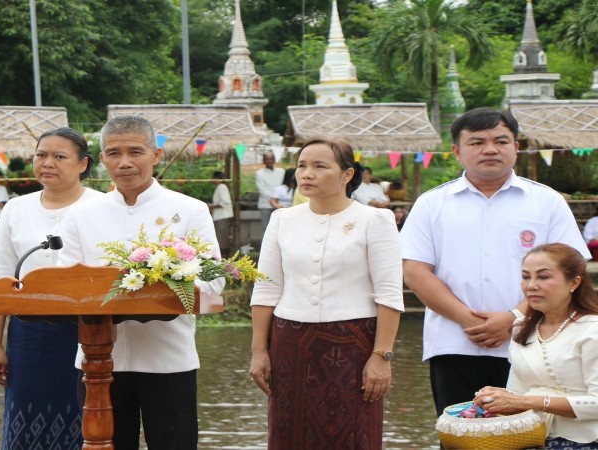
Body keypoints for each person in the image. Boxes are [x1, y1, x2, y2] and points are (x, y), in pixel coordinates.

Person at [401, 107, 591, 418]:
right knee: (460, 433)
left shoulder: (546, 201)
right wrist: (466, 318)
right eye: (476, 143)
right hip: (454, 342)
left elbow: (571, 269)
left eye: (500, 141)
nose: (490, 149)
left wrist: (514, 317)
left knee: (531, 431)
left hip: (534, 341)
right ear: (457, 152)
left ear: (516, 147)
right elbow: (416, 271)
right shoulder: (432, 204)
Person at [57, 116, 224, 450]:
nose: (125, 162)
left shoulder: (189, 209)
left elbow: (214, 279)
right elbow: (67, 282)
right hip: (98, 361)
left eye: (135, 151)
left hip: (168, 357)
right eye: (114, 153)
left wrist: (166, 289)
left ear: (156, 155)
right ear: (102, 159)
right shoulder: (80, 214)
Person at [249, 137, 404, 449]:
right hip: (289, 343)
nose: (307, 173)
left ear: (347, 174)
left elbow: (388, 294)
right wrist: (259, 351)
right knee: (288, 433)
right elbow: (266, 288)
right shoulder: (282, 220)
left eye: (320, 166)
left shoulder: (374, 220)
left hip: (354, 344)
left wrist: (381, 356)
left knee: (354, 434)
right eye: (302, 166)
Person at [0, 127, 102, 450]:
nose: (47, 162)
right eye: (41, 155)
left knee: (90, 419)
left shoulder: (103, 207)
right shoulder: (15, 209)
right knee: (25, 421)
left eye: (59, 156)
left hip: (92, 335)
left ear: (82, 164)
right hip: (29, 335)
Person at [474, 243, 598, 448]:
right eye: (525, 276)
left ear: (574, 282)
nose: (531, 285)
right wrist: (497, 397)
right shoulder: (521, 329)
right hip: (531, 438)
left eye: (543, 277)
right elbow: (517, 394)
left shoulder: (592, 329)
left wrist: (527, 402)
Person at [255, 151, 285, 231]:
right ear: (263, 161)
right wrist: (274, 199)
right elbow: (262, 190)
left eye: (271, 159)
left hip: (280, 204)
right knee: (266, 228)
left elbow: (284, 186)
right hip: (265, 205)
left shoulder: (281, 171)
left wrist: (279, 199)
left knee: (280, 228)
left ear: (274, 160)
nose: (269, 160)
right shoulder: (259, 173)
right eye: (267, 159)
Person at [208, 170, 233, 258]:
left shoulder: (222, 186)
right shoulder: (219, 187)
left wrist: (212, 206)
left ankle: (224, 256)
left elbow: (225, 201)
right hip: (219, 216)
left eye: (213, 178)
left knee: (222, 237)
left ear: (217, 178)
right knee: (220, 236)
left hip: (223, 216)